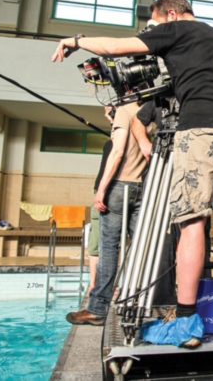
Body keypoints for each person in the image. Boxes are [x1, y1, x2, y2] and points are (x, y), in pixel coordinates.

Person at [51, 0, 213, 346]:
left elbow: (114, 47)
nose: (154, 31)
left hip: (198, 130)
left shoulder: (176, 30)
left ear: (170, 14)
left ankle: (185, 322)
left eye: (155, 24)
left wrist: (75, 40)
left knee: (192, 223)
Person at [64, 99, 147, 325]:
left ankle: (97, 309)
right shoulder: (150, 112)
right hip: (143, 187)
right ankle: (133, 301)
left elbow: (118, 151)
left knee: (109, 248)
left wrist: (101, 189)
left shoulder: (125, 110)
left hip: (119, 186)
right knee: (139, 248)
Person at [87, 106, 115, 292]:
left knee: (104, 244)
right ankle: (94, 284)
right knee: (100, 243)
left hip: (107, 193)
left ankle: (95, 285)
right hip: (102, 193)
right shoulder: (113, 144)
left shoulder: (113, 144)